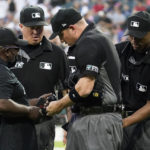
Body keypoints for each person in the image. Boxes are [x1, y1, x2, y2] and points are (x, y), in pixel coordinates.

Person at [46, 8, 123, 150]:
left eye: (61, 34)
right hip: (86, 116)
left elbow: (84, 88)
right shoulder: (86, 42)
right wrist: (70, 124)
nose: (61, 40)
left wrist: (59, 105)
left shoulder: (91, 41)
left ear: (72, 28)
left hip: (99, 119)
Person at [11, 5, 69, 150]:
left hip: (43, 123)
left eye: (39, 27)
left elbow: (66, 92)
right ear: (21, 26)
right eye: (31, 27)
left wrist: (70, 124)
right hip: (10, 122)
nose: (36, 31)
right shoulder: (8, 51)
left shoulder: (57, 54)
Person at [0, 27, 41, 150]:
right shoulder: (1, 71)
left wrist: (31, 102)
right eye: (16, 49)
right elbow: (2, 103)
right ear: (6, 51)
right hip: (10, 139)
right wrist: (28, 110)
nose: (18, 52)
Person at [115, 11, 150, 150]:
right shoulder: (120, 50)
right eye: (131, 35)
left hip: (145, 124)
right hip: (119, 119)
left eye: (139, 37)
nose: (134, 41)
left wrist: (125, 122)